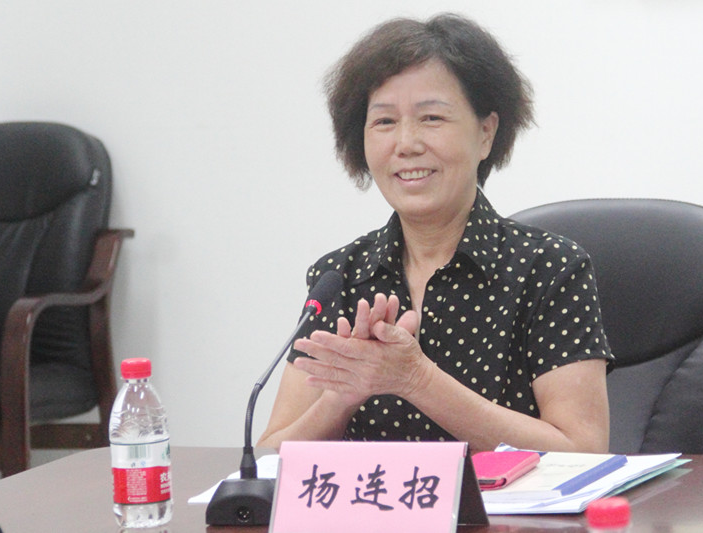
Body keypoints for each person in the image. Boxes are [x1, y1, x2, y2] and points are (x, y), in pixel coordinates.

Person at [258, 13, 613, 454]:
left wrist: (415, 379)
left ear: (486, 133)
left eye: (431, 118)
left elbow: (583, 451)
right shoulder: (339, 277)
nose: (406, 143)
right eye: (384, 122)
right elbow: (270, 457)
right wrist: (342, 396)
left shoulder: (549, 269)